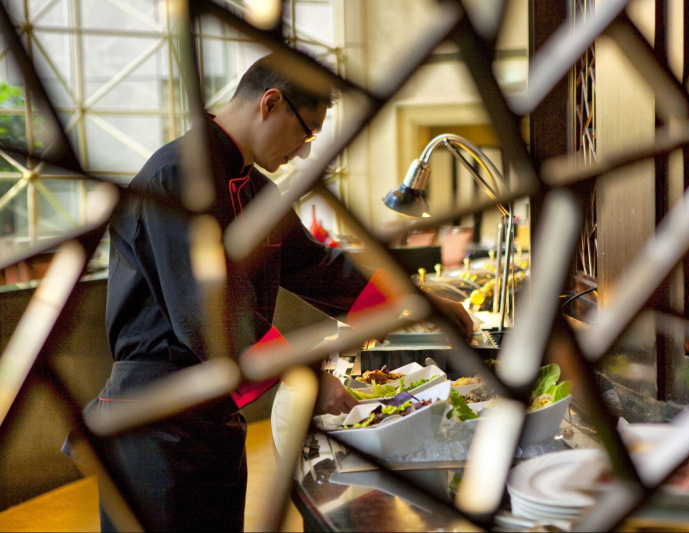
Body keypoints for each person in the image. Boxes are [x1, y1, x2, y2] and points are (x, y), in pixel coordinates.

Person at [62, 50, 473, 532]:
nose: (304, 152)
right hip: (155, 420)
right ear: (271, 103)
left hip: (213, 417)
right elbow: (207, 315)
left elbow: (318, 266)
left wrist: (418, 304)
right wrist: (303, 373)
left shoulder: (256, 190)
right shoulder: (177, 173)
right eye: (307, 132)